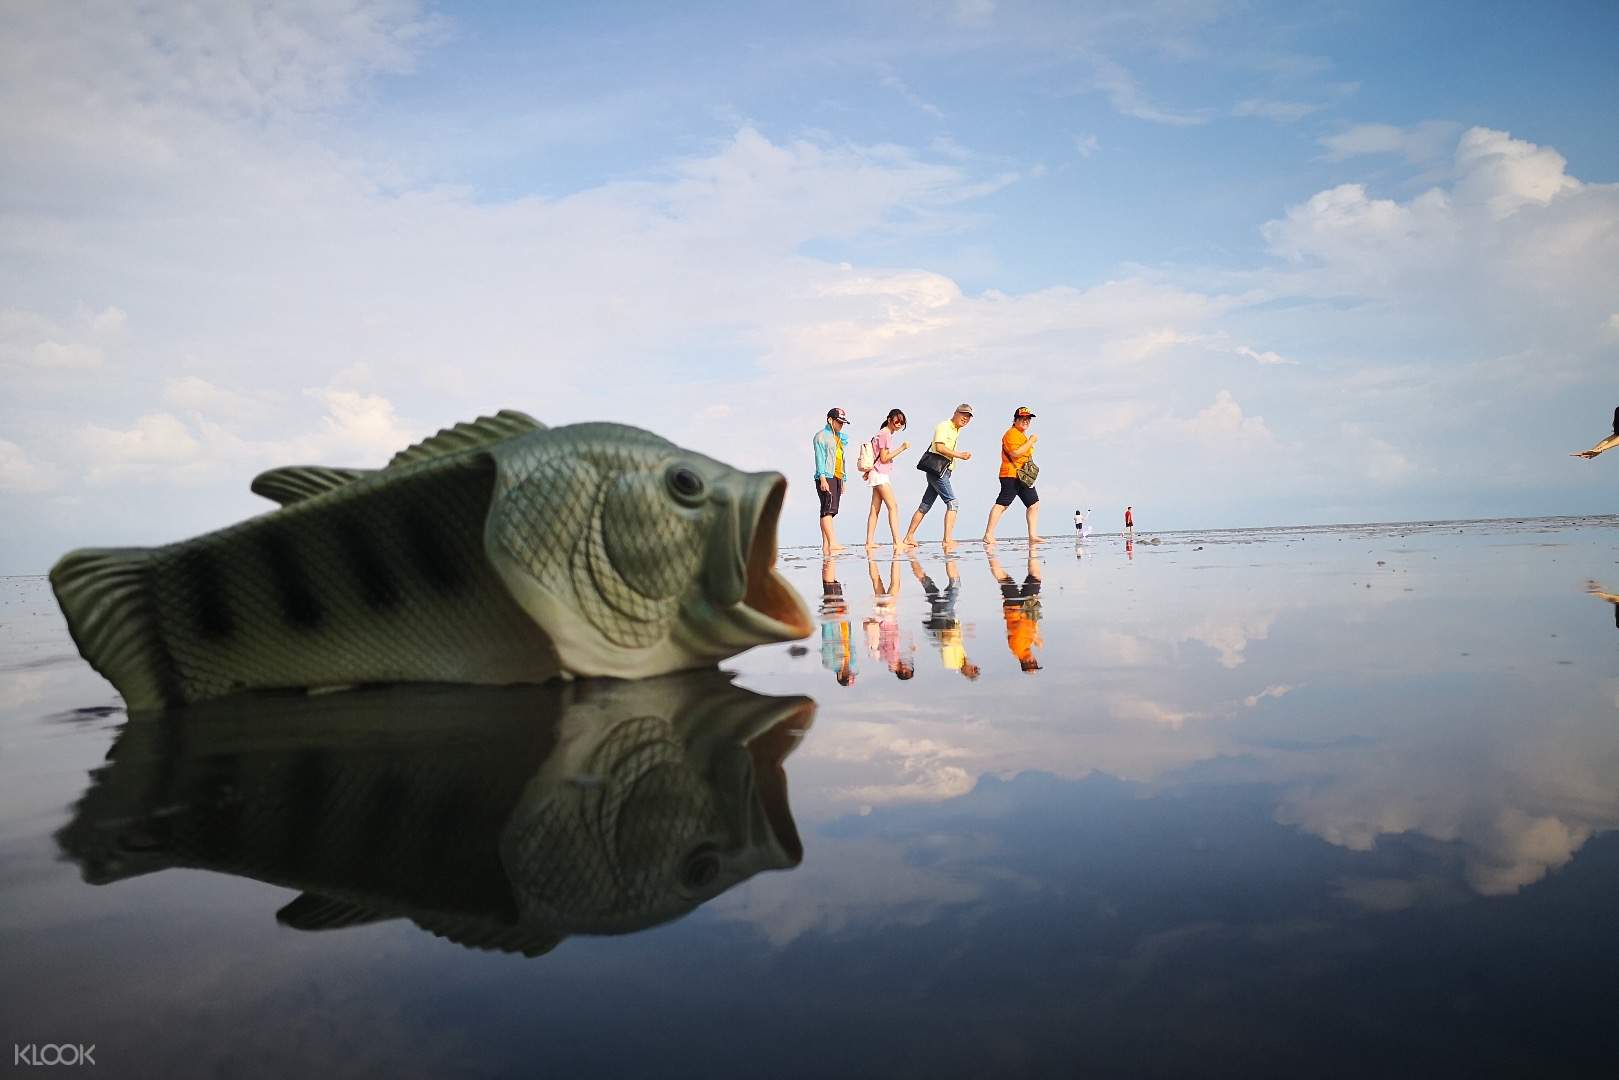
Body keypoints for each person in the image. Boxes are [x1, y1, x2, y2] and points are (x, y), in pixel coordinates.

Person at [902, 404, 974, 552]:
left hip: (944, 471)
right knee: (953, 503)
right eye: (963, 414)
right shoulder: (944, 426)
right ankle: (947, 540)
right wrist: (960, 455)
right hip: (937, 472)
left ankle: (909, 536)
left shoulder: (956, 430)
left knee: (925, 505)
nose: (965, 418)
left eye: (968, 416)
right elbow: (939, 447)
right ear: (955, 412)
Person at [911, 555, 980, 680]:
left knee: (955, 585)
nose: (973, 666)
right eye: (975, 668)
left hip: (943, 617)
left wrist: (964, 630)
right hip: (946, 617)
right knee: (927, 584)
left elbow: (947, 640)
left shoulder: (951, 664)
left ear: (966, 673)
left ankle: (948, 553)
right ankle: (911, 556)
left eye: (972, 670)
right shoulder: (962, 659)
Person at [982, 406, 1043, 546]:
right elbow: (1016, 453)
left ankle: (1033, 536)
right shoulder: (1011, 434)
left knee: (1033, 504)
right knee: (1002, 504)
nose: (1026, 421)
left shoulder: (1021, 435)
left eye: (1028, 419)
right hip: (1010, 475)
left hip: (1023, 477)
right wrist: (1032, 440)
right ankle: (988, 535)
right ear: (1015, 420)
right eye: (1022, 418)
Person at [862, 409, 913, 550]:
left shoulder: (881, 433)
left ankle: (869, 542)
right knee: (893, 507)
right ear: (889, 419)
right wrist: (902, 448)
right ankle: (897, 542)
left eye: (902, 423)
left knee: (875, 509)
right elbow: (884, 458)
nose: (899, 425)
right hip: (879, 475)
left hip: (875, 473)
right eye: (897, 421)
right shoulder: (885, 435)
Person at [988, 550, 1043, 672]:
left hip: (1015, 608)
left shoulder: (1018, 648)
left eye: (1034, 662)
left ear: (1028, 661)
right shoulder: (1025, 648)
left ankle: (990, 552)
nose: (1035, 659)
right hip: (1025, 609)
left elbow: (1021, 627)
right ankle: (1032, 546)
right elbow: (1031, 626)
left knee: (1003, 578)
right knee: (1035, 576)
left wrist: (1035, 637)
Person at [864, 558, 915, 680]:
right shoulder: (886, 659)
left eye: (908, 668)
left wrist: (909, 644)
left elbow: (890, 639)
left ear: (903, 670)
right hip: (881, 617)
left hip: (887, 618)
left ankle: (896, 555)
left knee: (895, 583)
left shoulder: (893, 658)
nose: (908, 664)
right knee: (877, 582)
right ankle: (870, 557)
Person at [814, 407, 851, 555]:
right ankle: (832, 542)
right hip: (826, 476)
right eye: (839, 422)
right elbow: (819, 459)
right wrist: (822, 478)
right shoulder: (821, 436)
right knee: (827, 510)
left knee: (830, 511)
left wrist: (843, 480)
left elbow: (841, 460)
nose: (841, 425)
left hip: (836, 477)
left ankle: (826, 545)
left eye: (843, 423)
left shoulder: (839, 438)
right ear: (830, 420)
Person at [819, 559, 856, 685]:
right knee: (834, 585)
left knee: (830, 585)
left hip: (833, 618)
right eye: (850, 673)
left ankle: (829, 556)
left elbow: (827, 640)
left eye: (847, 674)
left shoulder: (830, 662)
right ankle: (828, 557)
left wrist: (829, 617)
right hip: (843, 623)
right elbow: (852, 643)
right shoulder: (852, 662)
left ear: (840, 676)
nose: (849, 671)